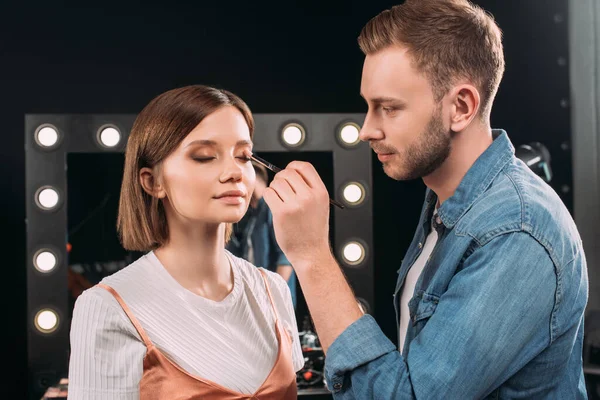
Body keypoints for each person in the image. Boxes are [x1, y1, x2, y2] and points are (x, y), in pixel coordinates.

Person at [263, 0, 589, 398]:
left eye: (389, 108)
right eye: (368, 107)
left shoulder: (515, 231)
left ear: (461, 107)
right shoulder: (444, 203)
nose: (366, 130)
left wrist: (312, 256)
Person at [67, 85, 304, 399]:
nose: (234, 171)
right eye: (205, 157)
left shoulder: (272, 291)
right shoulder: (108, 308)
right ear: (152, 182)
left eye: (244, 156)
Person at [227, 161, 298, 308]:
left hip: (273, 303)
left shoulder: (273, 208)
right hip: (258, 299)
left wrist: (273, 299)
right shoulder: (253, 215)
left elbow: (286, 257)